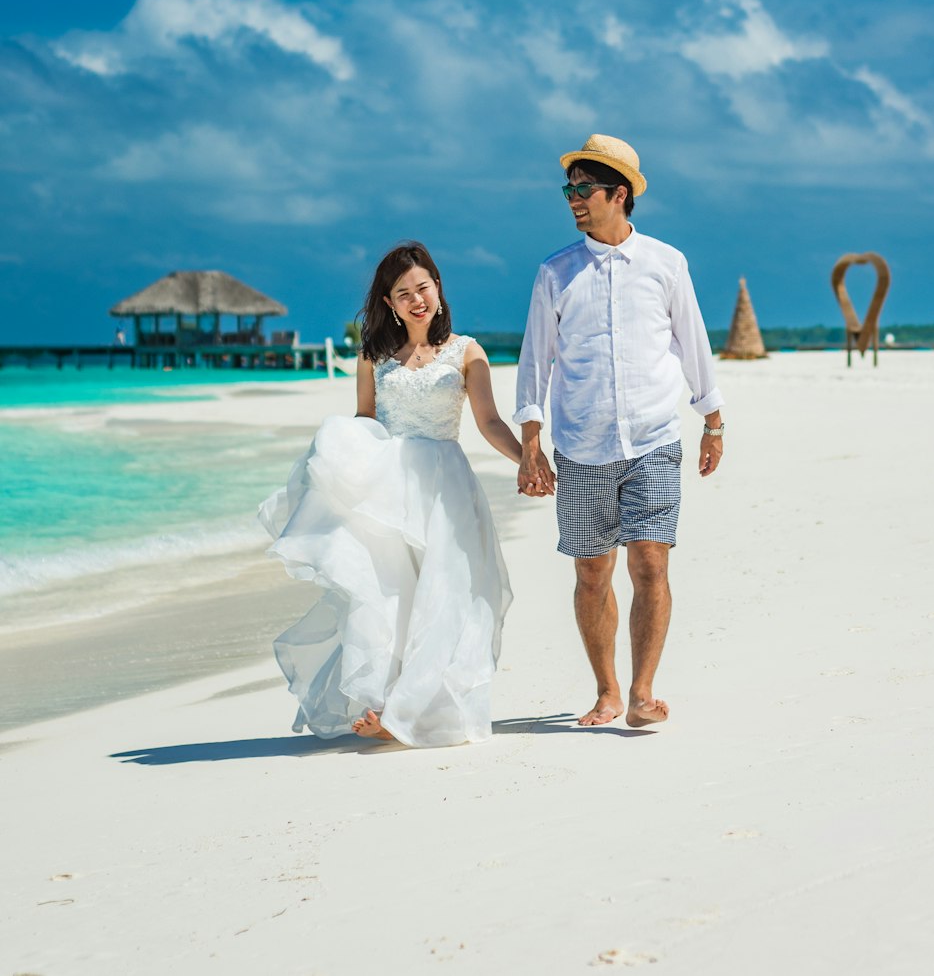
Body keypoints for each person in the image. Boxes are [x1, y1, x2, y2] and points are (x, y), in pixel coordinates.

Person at [259, 242, 518, 747]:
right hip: (387, 485)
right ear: (389, 303)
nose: (416, 299)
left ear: (438, 289)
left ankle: (417, 708)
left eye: (423, 287)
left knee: (444, 596)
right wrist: (337, 472)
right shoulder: (373, 355)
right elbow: (365, 421)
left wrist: (529, 459)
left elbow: (487, 421)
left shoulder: (467, 351)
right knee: (389, 594)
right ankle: (385, 703)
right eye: (403, 294)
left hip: (445, 487)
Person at [514, 134, 724, 729]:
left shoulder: (666, 263)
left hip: (655, 437)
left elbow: (694, 343)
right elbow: (535, 361)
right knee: (590, 571)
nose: (574, 200)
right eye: (569, 189)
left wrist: (713, 419)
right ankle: (605, 690)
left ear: (620, 194)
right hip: (580, 446)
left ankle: (641, 691)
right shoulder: (556, 272)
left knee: (651, 565)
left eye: (584, 189)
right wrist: (530, 442)